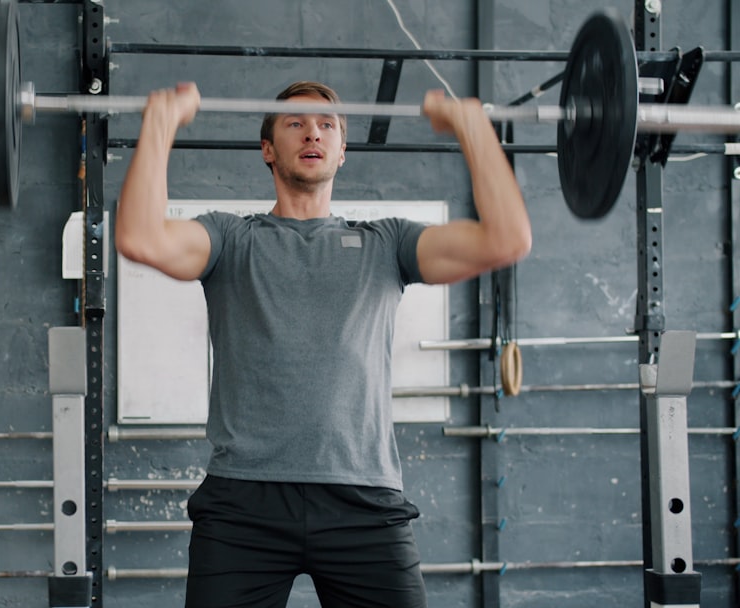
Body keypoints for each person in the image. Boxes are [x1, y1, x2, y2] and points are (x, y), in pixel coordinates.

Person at [115, 80, 531, 608]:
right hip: (244, 503)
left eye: (327, 124)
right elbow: (140, 238)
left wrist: (474, 129)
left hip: (364, 502)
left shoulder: (388, 244)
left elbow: (507, 238)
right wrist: (160, 125)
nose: (312, 131)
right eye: (295, 123)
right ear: (268, 149)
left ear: (341, 152)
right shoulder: (230, 239)